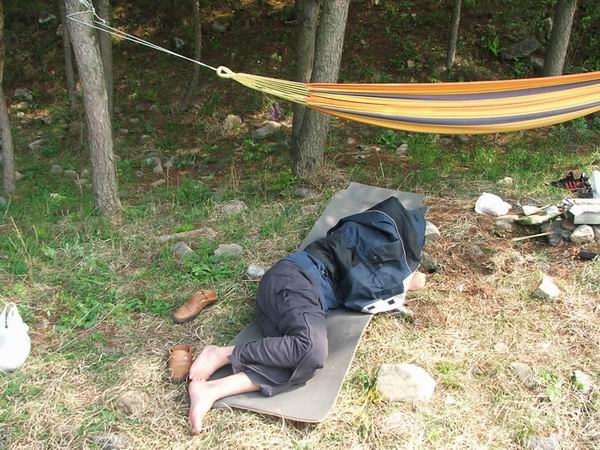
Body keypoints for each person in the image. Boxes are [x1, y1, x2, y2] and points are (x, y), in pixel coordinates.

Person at [186, 196, 427, 433]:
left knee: (301, 360)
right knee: (311, 349)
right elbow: (371, 281)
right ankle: (222, 354)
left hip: (286, 296)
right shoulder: (368, 239)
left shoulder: (375, 241)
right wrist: (405, 281)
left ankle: (212, 390)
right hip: (295, 280)